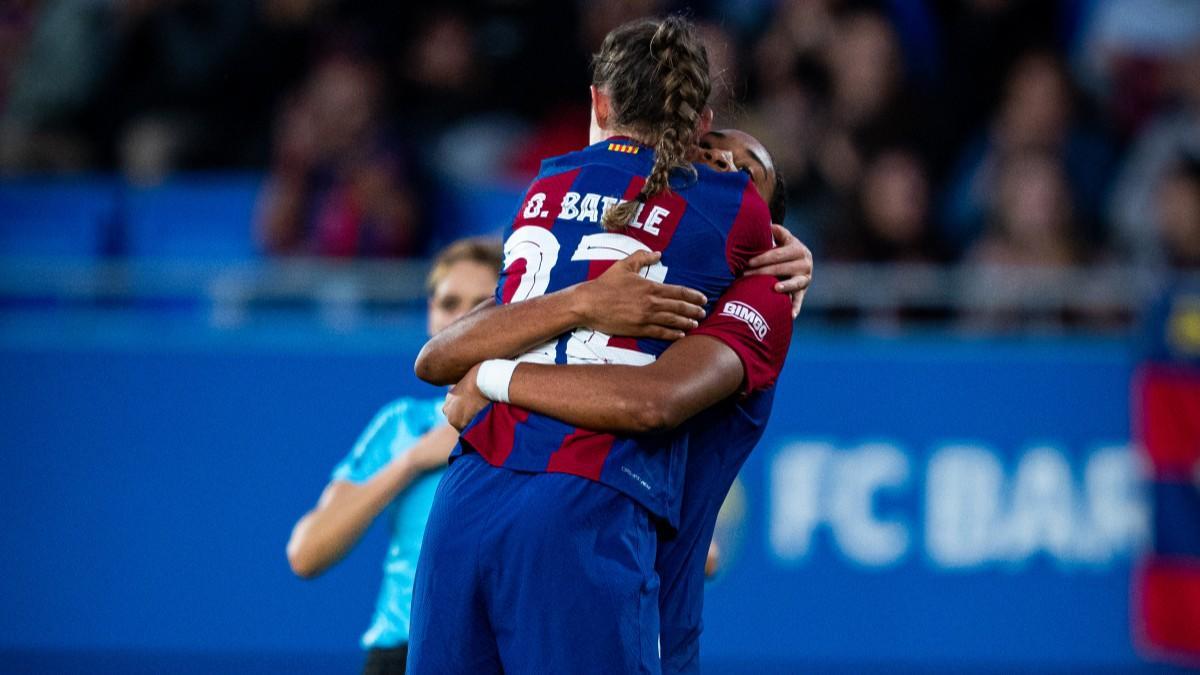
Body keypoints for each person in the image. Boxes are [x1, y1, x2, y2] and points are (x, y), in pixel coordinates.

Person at [406, 16, 782, 674]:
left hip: (468, 498)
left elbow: (441, 363)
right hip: (587, 501)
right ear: (697, 125)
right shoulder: (733, 215)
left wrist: (493, 374)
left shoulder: (546, 189)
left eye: (741, 167)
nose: (725, 171)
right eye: (718, 153)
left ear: (599, 104)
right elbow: (652, 401)